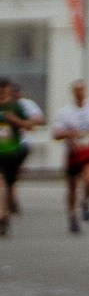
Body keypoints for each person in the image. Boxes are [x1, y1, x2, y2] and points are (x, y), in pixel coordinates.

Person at [51, 80, 89, 235]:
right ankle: (72, 216)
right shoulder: (65, 112)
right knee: (72, 187)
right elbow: (56, 134)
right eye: (77, 91)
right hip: (73, 152)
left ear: (86, 91)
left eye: (82, 90)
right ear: (73, 93)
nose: (80, 93)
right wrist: (70, 134)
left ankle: (86, 202)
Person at [0, 78, 41, 237]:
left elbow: (29, 125)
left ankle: (7, 215)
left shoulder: (16, 107)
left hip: (13, 152)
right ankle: (1, 217)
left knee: (9, 187)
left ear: (9, 91)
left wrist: (13, 120)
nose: (2, 95)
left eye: (4, 91)